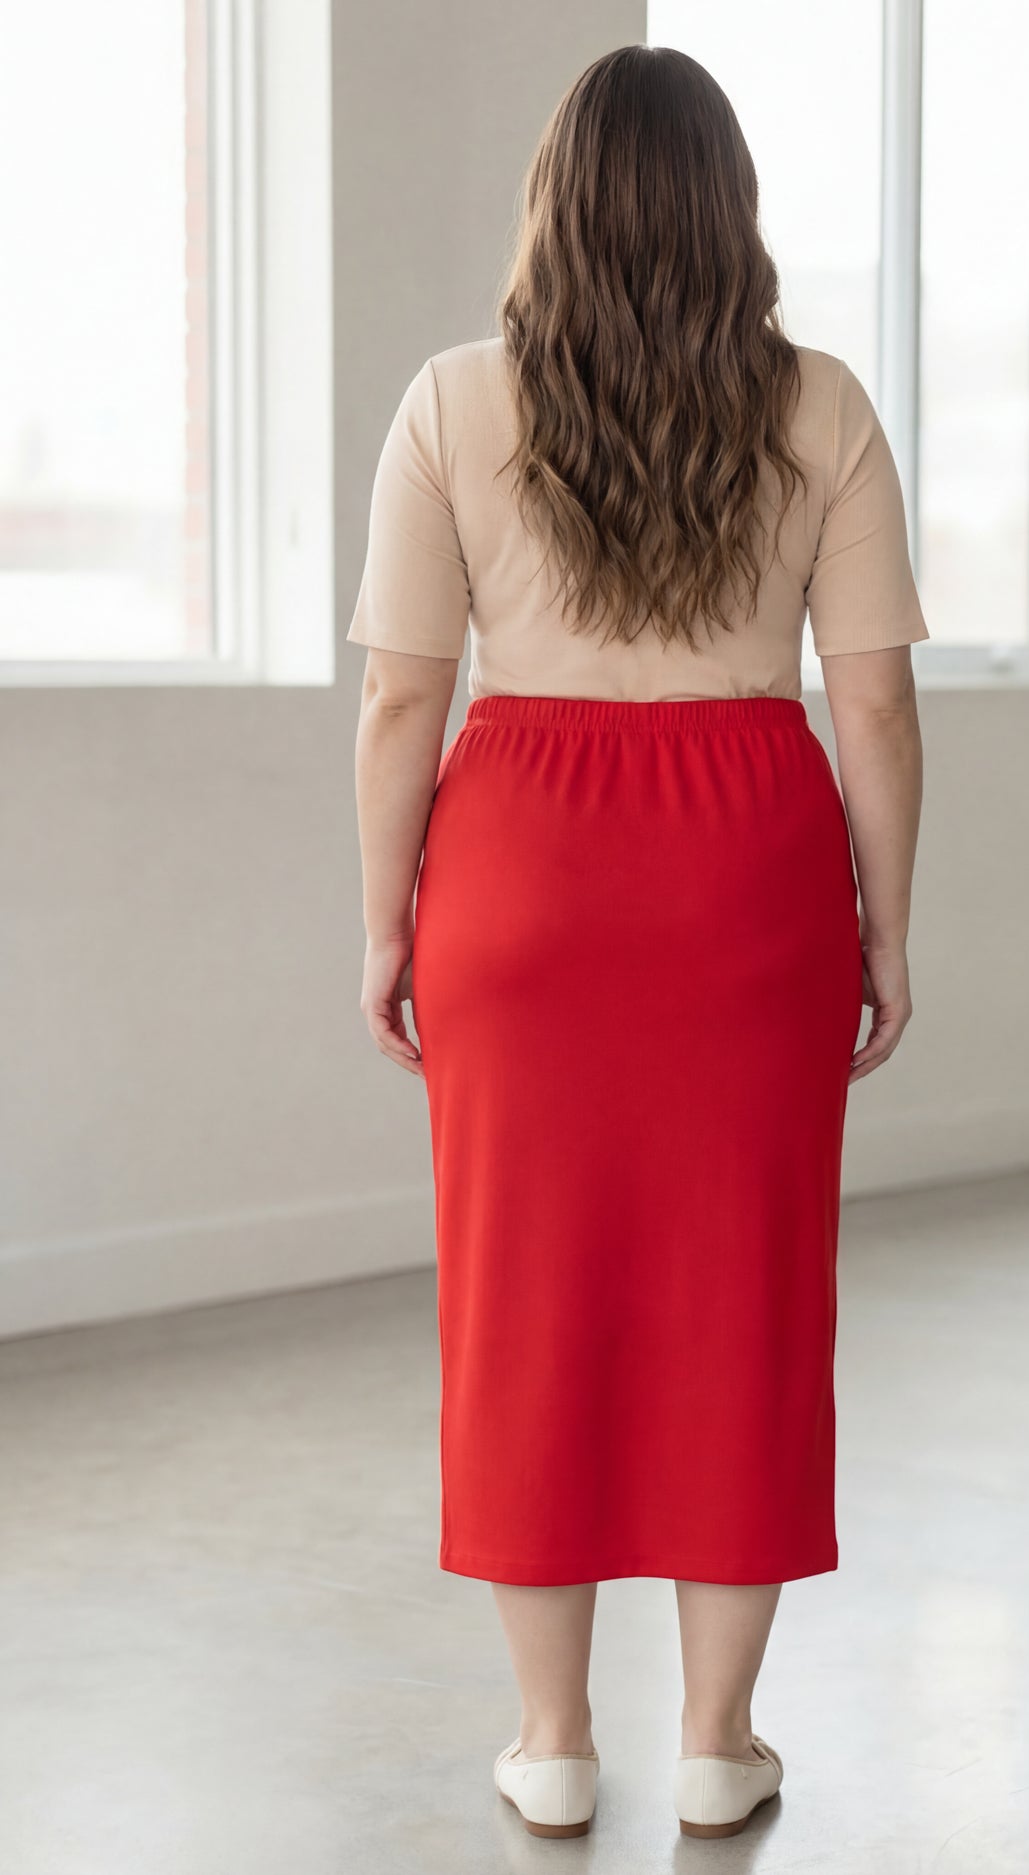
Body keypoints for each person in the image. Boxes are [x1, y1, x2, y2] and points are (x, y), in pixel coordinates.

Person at [348, 44, 926, 1843]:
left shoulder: (451, 402)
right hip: (746, 865)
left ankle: (546, 1739)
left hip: (516, 865)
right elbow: (881, 712)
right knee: (739, 1296)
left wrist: (388, 923)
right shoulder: (818, 404)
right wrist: (880, 933)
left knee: (527, 1292)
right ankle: (715, 1737)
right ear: (724, 211)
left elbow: (399, 707)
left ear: (554, 205)